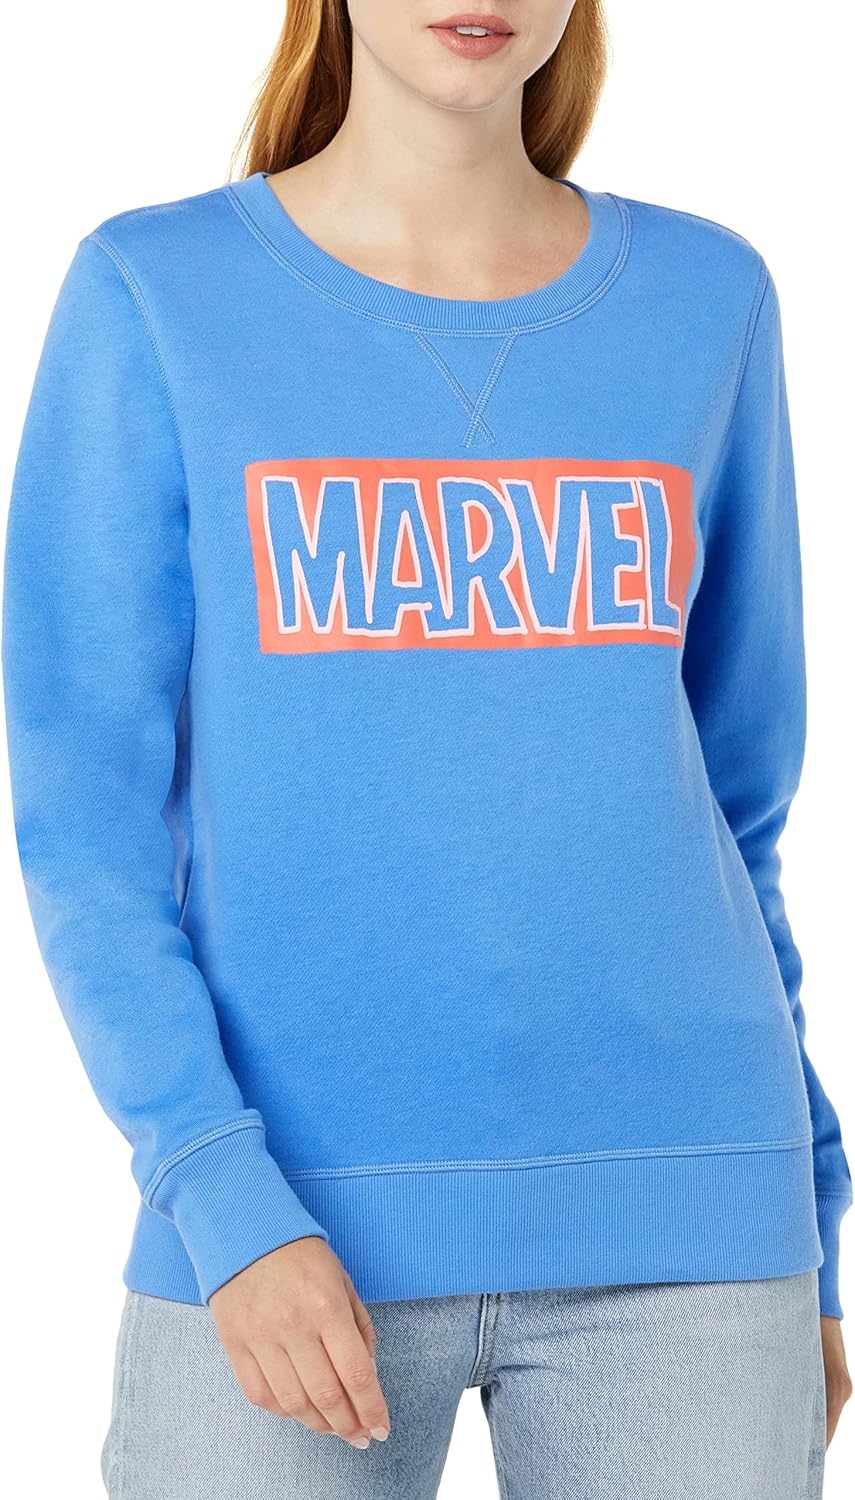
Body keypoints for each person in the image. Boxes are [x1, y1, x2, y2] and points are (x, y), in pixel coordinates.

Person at [2, 1, 852, 1495]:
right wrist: (216, 1189)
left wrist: (814, 1217)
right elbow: (85, 821)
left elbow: (737, 805)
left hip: (694, 1233)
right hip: (274, 1221)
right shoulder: (158, 293)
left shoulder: (707, 297)